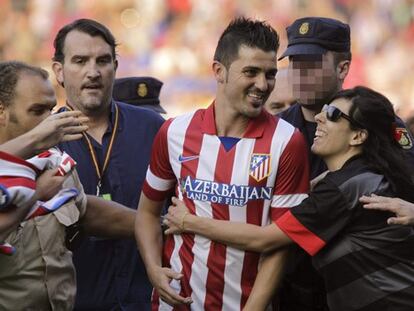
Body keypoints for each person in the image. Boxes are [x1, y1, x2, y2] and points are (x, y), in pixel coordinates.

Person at [165, 86, 414, 311]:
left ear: (358, 136)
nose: (319, 117)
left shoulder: (344, 187)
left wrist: (189, 221)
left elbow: (265, 239)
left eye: (334, 115)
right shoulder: (364, 177)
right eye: (325, 110)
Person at [135, 17, 309, 310]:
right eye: (251, 72)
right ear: (219, 71)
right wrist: (153, 270)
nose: (262, 85)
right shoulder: (175, 132)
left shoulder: (287, 141)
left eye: (270, 74)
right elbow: (147, 213)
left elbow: (281, 244)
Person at [275, 16, 414, 311]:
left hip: (372, 290)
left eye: (311, 64)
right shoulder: (276, 130)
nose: (300, 74)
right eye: (295, 64)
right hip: (293, 287)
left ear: (343, 68)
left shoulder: (378, 126)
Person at [0, 60, 137, 310]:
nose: (51, 121)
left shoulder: (53, 162)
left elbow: (85, 210)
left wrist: (156, 224)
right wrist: (36, 194)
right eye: (37, 110)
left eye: (51, 110)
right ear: (2, 111)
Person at [52, 19, 164, 310]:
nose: (93, 72)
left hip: (147, 301)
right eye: (80, 61)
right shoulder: (42, 139)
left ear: (115, 67)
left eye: (103, 61)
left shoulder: (153, 128)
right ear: (59, 71)